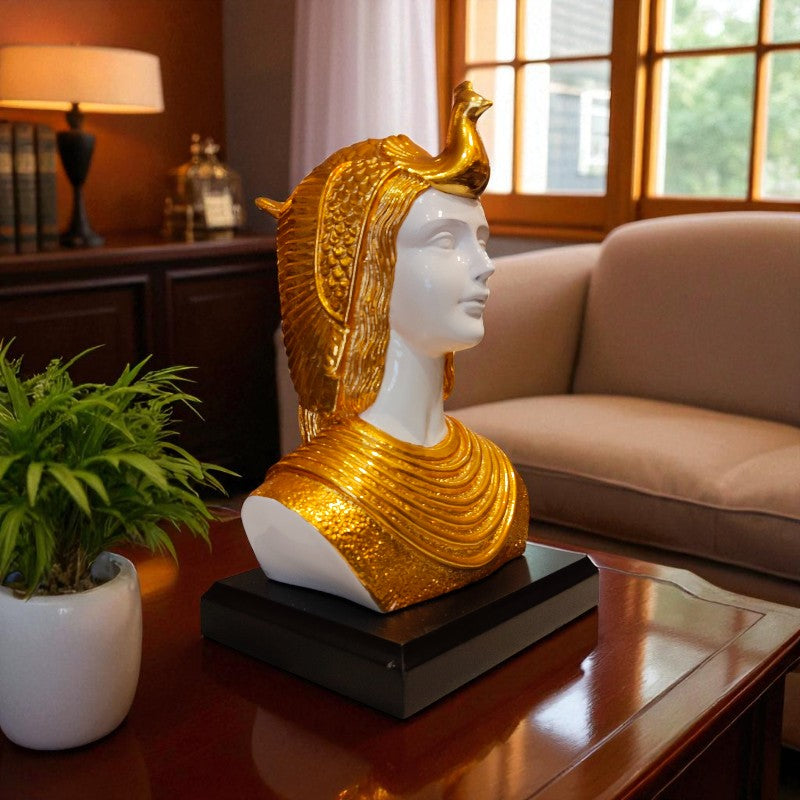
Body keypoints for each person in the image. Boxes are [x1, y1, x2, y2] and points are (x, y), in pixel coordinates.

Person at [241, 83, 529, 612]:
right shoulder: (306, 505)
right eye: (446, 241)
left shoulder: (498, 481)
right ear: (364, 273)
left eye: (481, 240)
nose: (485, 265)